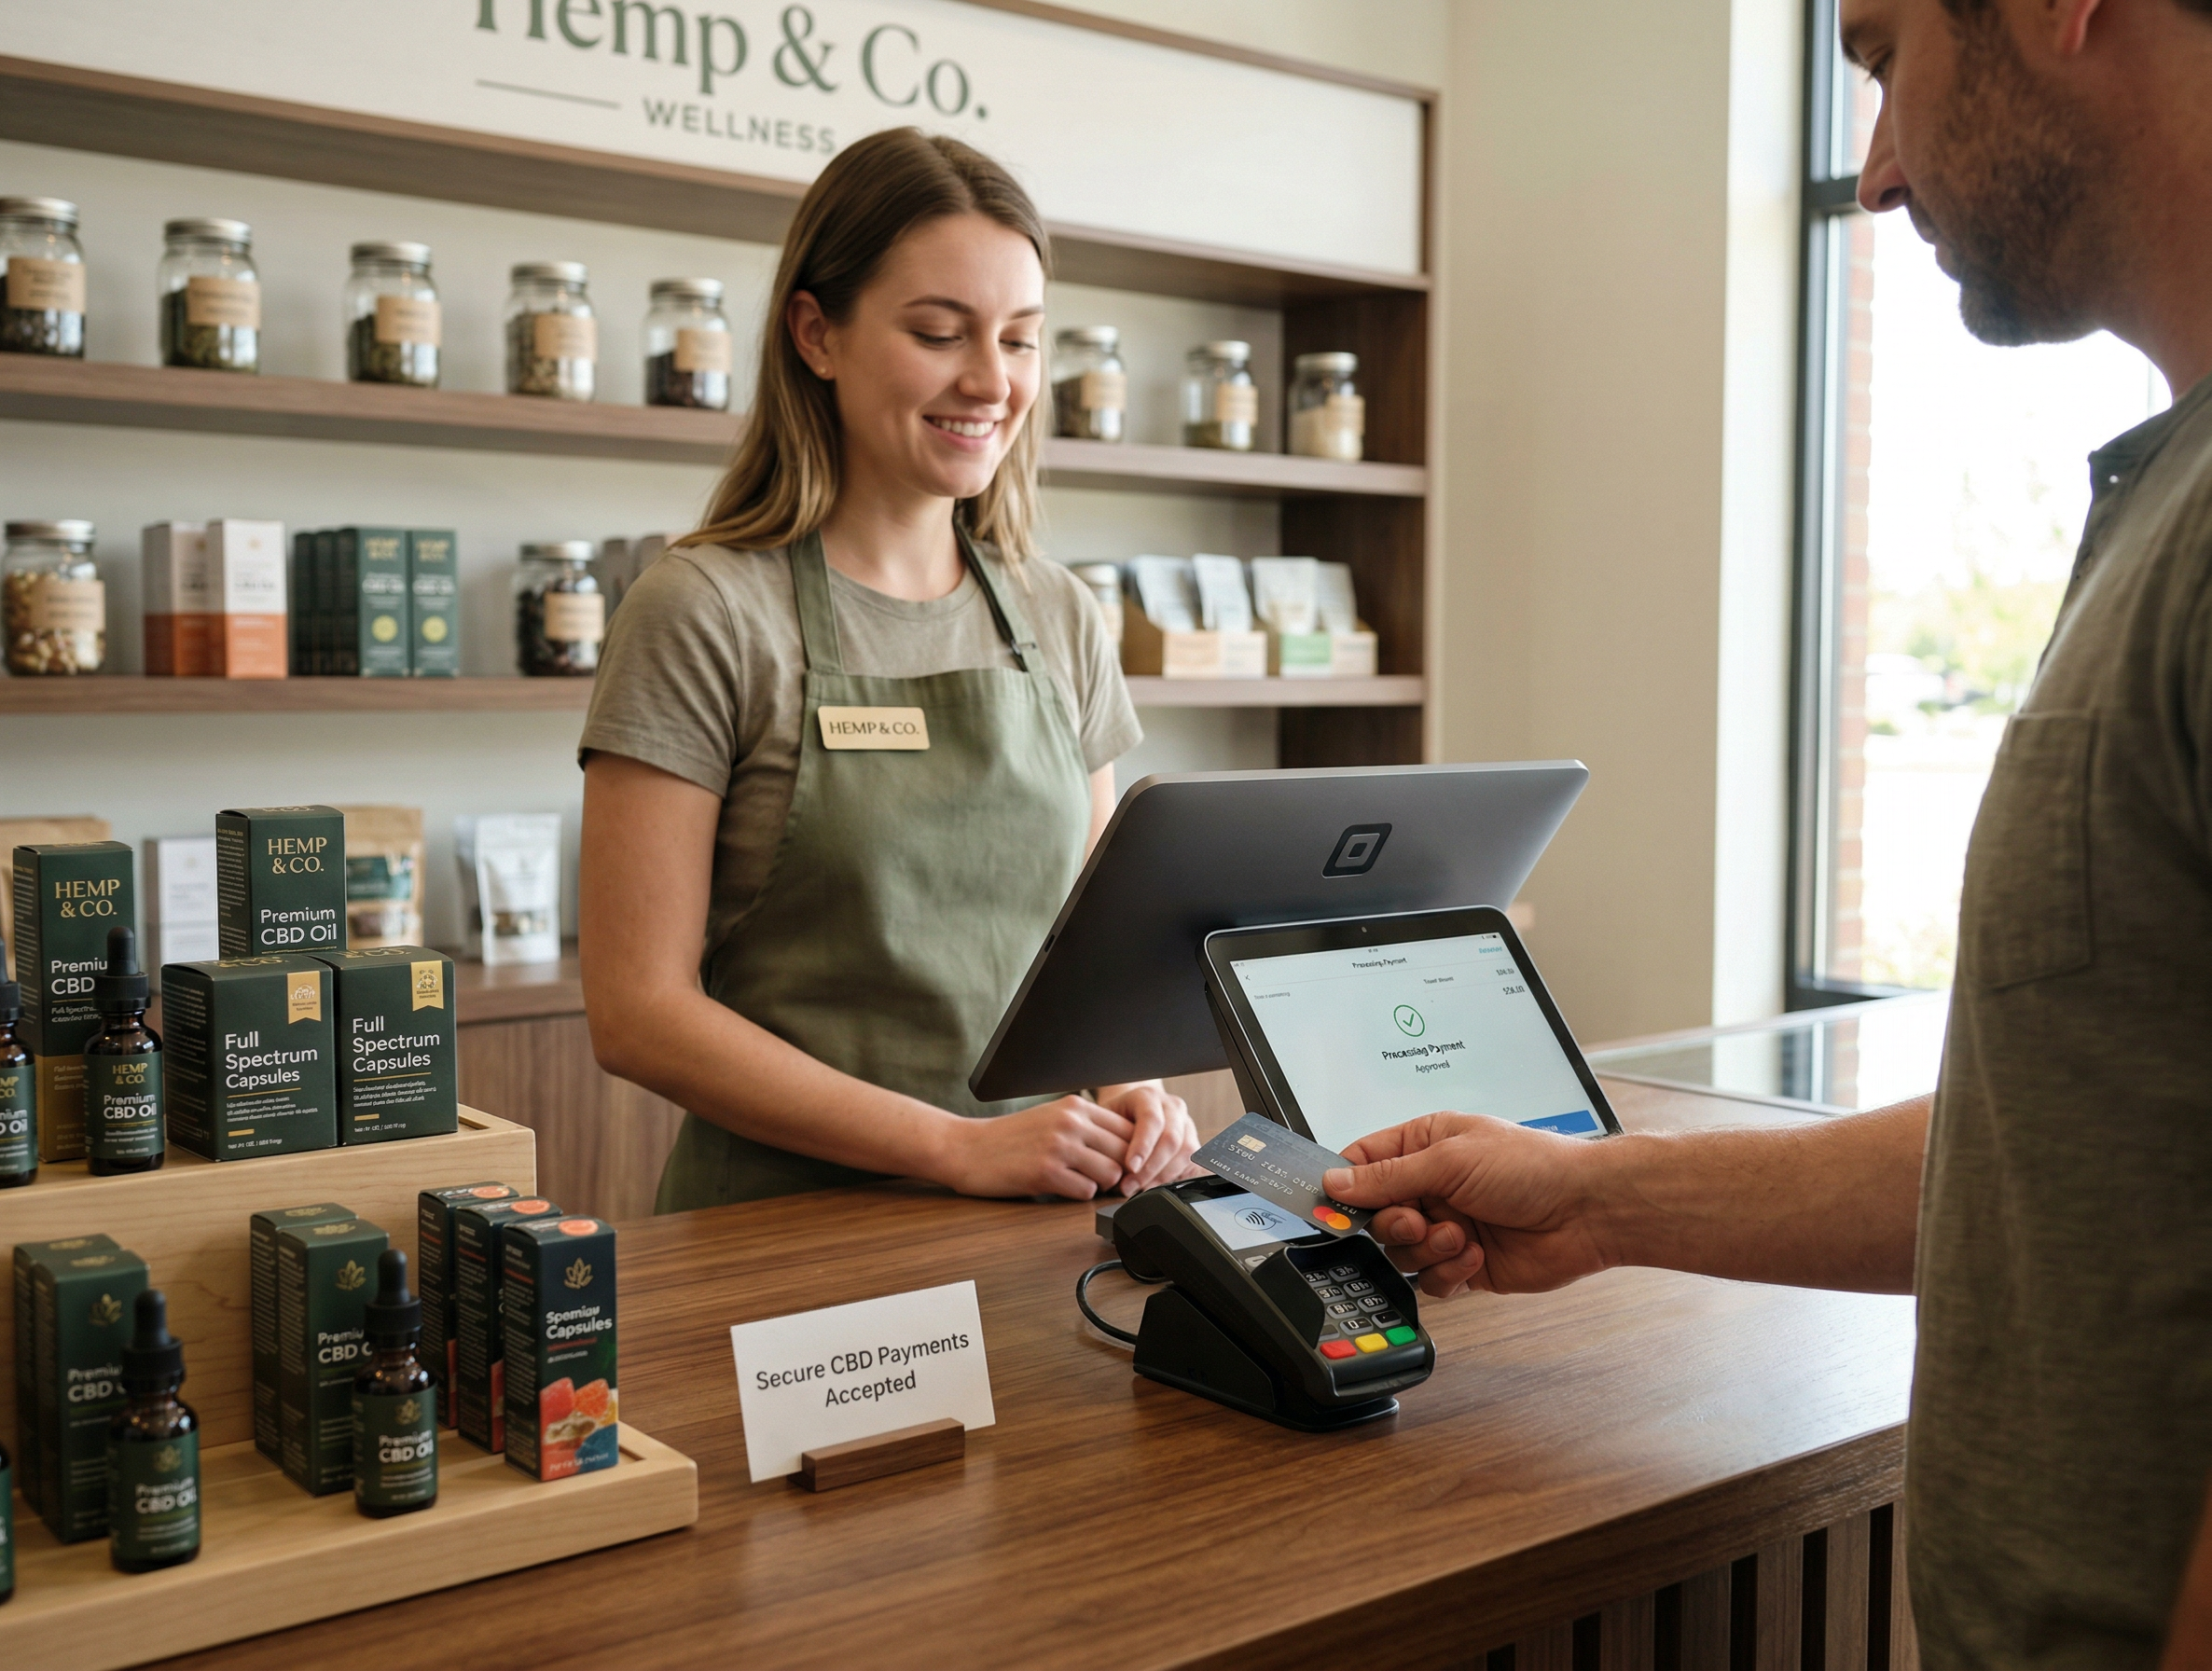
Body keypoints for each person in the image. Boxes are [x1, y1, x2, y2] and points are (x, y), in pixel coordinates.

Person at [1322, 0, 2212, 1663]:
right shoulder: (2165, 494)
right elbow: (2076, 1143)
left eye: (1879, 60)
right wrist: (1593, 1203)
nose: (1873, 173)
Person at [577, 129, 1198, 1211]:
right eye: (939, 333)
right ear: (816, 333)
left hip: (1035, 1224)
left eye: (1019, 339)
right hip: (783, 1246)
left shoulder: (1060, 613)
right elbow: (637, 1012)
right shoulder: (704, 610)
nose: (991, 381)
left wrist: (1134, 1087)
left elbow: (1085, 954)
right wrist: (957, 1147)